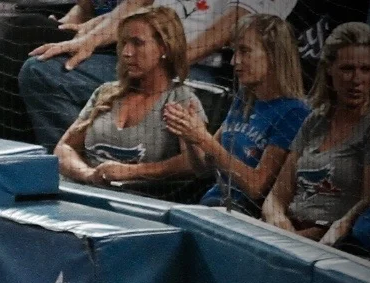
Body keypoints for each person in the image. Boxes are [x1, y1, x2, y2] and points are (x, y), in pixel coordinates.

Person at [19, 0, 298, 150]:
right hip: (142, 51)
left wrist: (171, 60)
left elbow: (235, 24)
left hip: (202, 70)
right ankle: (78, 167)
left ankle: (99, 173)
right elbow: (136, 4)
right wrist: (88, 40)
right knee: (41, 68)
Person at [263, 22, 370, 247]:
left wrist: (297, 240)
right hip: (284, 232)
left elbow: (365, 207)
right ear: (329, 69)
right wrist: (279, 224)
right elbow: (276, 196)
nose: (356, 80)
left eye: (365, 69)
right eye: (347, 69)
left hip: (327, 243)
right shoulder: (315, 120)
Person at [163, 13, 309, 216]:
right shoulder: (244, 99)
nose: (234, 61)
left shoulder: (294, 112)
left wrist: (203, 138)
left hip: (245, 216)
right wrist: (189, 135)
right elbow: (203, 167)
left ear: (273, 55)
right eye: (234, 52)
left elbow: (256, 187)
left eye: (245, 51)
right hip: (212, 206)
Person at [53, 7, 200, 189]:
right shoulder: (106, 92)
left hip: (136, 199)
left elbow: (194, 163)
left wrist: (133, 172)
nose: (126, 52)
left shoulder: (181, 99)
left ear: (164, 48)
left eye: (137, 43)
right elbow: (63, 149)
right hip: (82, 190)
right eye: (124, 43)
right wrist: (89, 174)